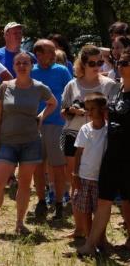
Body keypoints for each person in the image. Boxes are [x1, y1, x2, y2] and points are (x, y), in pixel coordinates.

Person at [0, 52, 57, 234]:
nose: (22, 65)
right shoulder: (4, 87)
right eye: (18, 63)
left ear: (31, 65)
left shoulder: (39, 87)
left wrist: (41, 116)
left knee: (25, 184)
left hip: (31, 142)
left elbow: (53, 103)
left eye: (25, 62)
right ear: (14, 66)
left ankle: (19, 223)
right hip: (7, 142)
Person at [78, 51, 130, 255]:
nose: (120, 65)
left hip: (128, 157)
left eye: (125, 62)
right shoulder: (117, 90)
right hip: (112, 156)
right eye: (119, 61)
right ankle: (91, 245)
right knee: (104, 200)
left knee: (127, 200)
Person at [61, 45, 116, 198]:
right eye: (92, 63)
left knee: (96, 174)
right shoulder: (72, 84)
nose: (97, 67)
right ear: (83, 64)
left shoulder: (109, 85)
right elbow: (63, 113)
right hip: (74, 133)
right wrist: (73, 110)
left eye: (100, 63)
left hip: (99, 136)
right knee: (74, 174)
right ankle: (74, 202)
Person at [30, 39, 72, 220]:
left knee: (58, 166)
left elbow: (71, 92)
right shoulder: (32, 72)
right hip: (35, 126)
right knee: (37, 166)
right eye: (50, 51)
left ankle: (59, 204)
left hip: (57, 124)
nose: (54, 54)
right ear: (39, 54)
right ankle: (41, 201)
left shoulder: (62, 70)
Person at [70, 92, 107, 238]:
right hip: (84, 177)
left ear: (103, 110)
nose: (89, 112)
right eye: (87, 109)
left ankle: (100, 238)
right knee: (85, 210)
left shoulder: (109, 130)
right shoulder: (85, 129)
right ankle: (88, 236)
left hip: (101, 179)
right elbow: (78, 153)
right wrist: (75, 174)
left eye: (92, 109)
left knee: (100, 211)